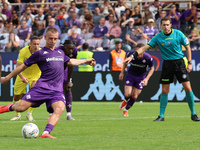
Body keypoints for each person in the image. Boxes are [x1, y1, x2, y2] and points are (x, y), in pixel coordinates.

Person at [0, 28, 96, 139]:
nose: (53, 41)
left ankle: (46, 133)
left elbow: (70, 62)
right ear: (45, 38)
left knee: (60, 108)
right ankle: (2, 109)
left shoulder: (60, 52)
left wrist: (85, 61)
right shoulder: (39, 53)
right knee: (20, 107)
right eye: (50, 38)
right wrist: (7, 77)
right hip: (42, 88)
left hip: (56, 90)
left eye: (55, 39)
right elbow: (22, 66)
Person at [124, 17, 200, 121]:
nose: (166, 27)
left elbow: (187, 46)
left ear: (171, 25)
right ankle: (161, 116)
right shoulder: (158, 37)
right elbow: (144, 48)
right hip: (167, 65)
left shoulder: (178, 33)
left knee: (187, 88)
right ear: (161, 26)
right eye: (164, 25)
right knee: (164, 90)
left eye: (167, 24)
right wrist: (132, 56)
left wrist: (190, 63)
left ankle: (193, 114)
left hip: (179, 63)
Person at [9, 36, 41, 121]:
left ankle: (29, 114)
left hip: (36, 75)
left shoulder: (41, 52)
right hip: (23, 74)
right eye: (34, 44)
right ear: (30, 44)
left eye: (38, 44)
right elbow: (18, 67)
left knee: (34, 91)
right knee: (17, 97)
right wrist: (22, 77)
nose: (36, 46)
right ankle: (17, 115)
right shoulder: (23, 51)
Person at [119, 43, 154, 116]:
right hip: (131, 75)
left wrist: (147, 79)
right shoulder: (131, 54)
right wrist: (122, 72)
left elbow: (152, 68)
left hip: (141, 77)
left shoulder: (147, 58)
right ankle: (125, 100)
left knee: (134, 96)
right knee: (127, 94)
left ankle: (126, 110)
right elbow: (125, 63)